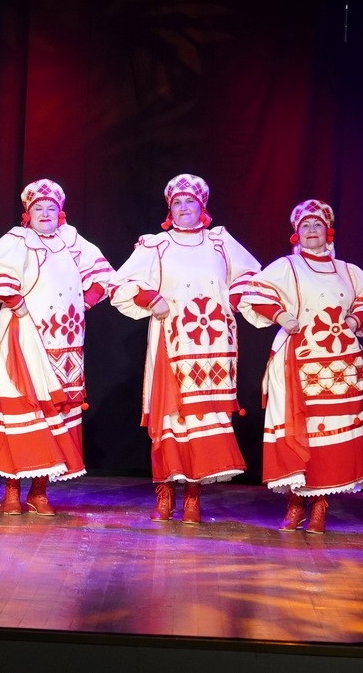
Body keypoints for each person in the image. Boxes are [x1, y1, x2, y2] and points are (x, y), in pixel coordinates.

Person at [111, 174, 260, 524]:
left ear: (202, 206)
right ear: (170, 209)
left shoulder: (220, 242)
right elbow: (121, 284)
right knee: (170, 417)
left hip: (212, 345)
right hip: (172, 341)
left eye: (190, 201)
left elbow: (252, 276)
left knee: (204, 416)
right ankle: (165, 493)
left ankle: (194, 494)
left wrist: (234, 298)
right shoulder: (157, 245)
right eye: (177, 203)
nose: (183, 208)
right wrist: (152, 298)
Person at [233, 199, 363, 533]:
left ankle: (321, 503)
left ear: (329, 231)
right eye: (305, 226)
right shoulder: (286, 266)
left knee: (329, 432)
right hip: (298, 361)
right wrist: (281, 315)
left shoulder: (348, 271)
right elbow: (253, 295)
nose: (311, 231)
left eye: (317, 225)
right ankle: (296, 501)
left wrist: (354, 321)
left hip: (340, 365)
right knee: (300, 429)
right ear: (295, 233)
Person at [0, 179, 115, 516]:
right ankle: (11, 490)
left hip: (65, 344)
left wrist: (86, 301)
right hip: (25, 339)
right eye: (39, 208)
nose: (45, 213)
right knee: (21, 409)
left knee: (55, 415)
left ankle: (39, 492)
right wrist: (15, 300)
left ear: (60, 212)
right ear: (28, 213)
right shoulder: (17, 240)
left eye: (51, 208)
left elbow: (105, 277)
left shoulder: (72, 241)